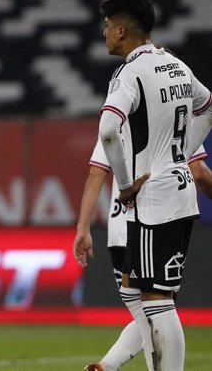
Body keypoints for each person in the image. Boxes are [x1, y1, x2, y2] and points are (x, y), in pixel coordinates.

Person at [97, 0, 212, 371]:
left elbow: (109, 130)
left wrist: (126, 184)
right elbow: (207, 105)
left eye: (108, 26)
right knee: (133, 287)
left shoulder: (130, 72)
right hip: (179, 193)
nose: (105, 34)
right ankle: (115, 364)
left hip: (155, 199)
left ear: (122, 30)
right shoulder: (176, 65)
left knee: (156, 298)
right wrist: (180, 156)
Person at [75, 139, 212, 371]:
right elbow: (198, 172)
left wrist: (83, 228)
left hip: (118, 231)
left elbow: (96, 173)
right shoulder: (175, 114)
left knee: (147, 310)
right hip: (154, 222)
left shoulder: (116, 121)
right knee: (159, 308)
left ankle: (106, 366)